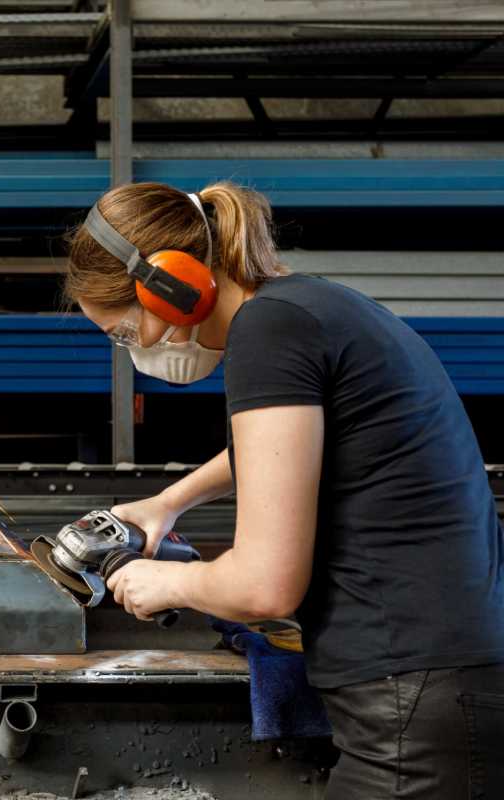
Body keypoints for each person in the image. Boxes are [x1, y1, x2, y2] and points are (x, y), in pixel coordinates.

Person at [63, 180, 504, 799]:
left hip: (413, 703)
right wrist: (169, 502)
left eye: (125, 333)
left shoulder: (268, 332)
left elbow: (264, 586)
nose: (132, 350)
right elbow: (290, 443)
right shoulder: (308, 307)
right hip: (442, 681)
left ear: (173, 286)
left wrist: (165, 582)